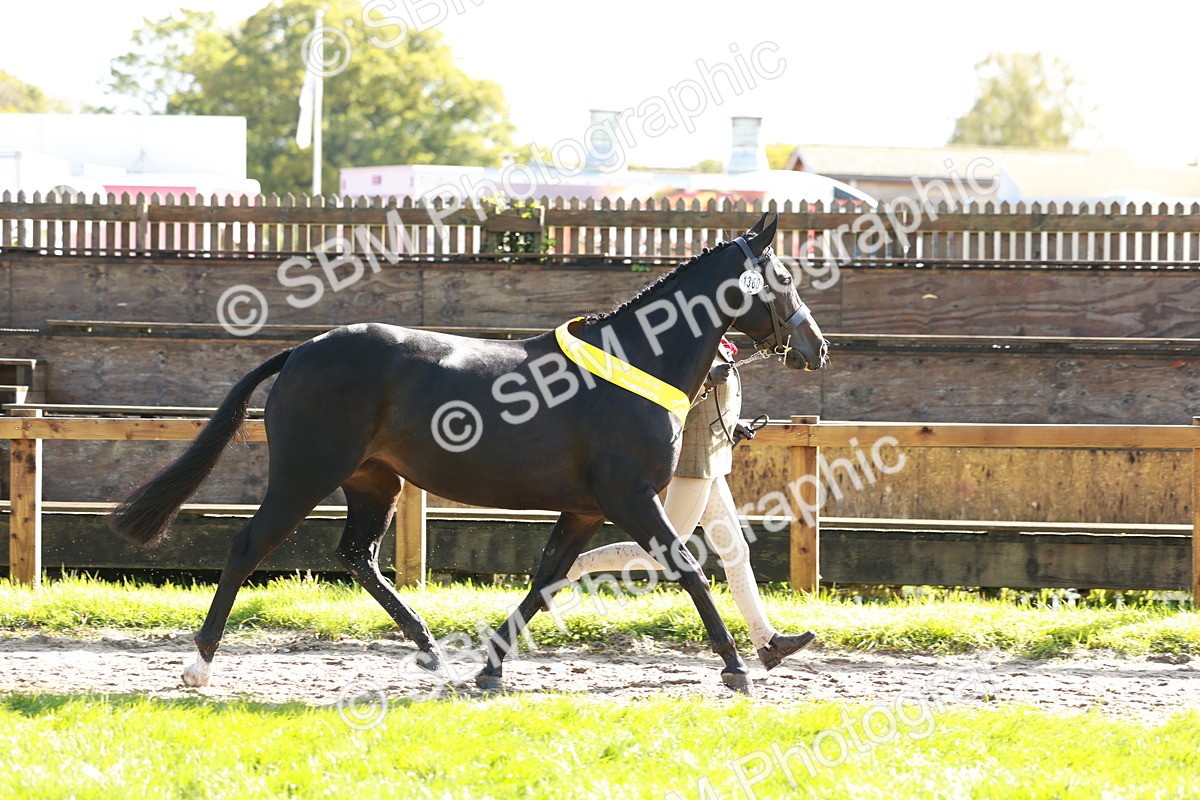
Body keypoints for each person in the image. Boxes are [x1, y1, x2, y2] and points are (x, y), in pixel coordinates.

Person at [567, 336, 816, 670]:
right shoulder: (687, 346)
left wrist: (732, 423)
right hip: (692, 466)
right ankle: (574, 566)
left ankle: (766, 641)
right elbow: (666, 404)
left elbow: (713, 402)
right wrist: (703, 388)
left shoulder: (716, 344)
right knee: (662, 555)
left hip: (711, 460)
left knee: (735, 552)